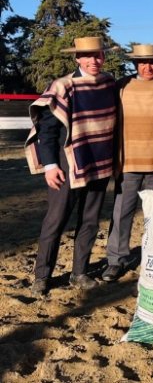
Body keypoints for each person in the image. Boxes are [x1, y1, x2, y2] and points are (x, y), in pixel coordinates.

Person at [24, 37, 119, 296]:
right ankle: (42, 277)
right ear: (77, 58)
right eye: (87, 56)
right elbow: (47, 129)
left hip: (99, 163)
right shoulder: (63, 86)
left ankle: (79, 273)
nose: (93, 60)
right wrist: (50, 165)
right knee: (55, 221)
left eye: (98, 55)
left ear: (104, 57)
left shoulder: (109, 83)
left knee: (89, 222)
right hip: (68, 164)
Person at [103, 43, 153, 283]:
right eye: (143, 62)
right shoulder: (121, 86)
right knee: (122, 212)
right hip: (128, 160)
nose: (149, 66)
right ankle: (116, 260)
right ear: (135, 64)